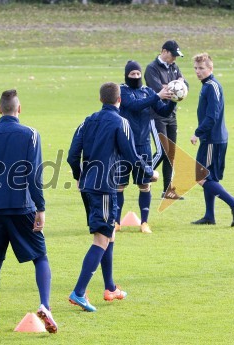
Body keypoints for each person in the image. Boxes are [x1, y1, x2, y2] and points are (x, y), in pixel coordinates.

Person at [67, 82, 156, 312]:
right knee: (101, 239)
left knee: (109, 233)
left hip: (88, 185)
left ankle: (110, 288)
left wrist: (79, 175)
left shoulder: (87, 121)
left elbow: (72, 155)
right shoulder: (121, 122)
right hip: (105, 187)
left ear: (100, 100)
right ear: (120, 101)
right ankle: (79, 292)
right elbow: (132, 155)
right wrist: (149, 173)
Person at [0, 89, 57, 333]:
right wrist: (40, 207)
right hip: (23, 208)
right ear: (19, 109)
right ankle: (45, 305)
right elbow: (34, 174)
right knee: (40, 257)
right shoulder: (31, 134)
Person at [117, 60, 175, 234]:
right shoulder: (122, 91)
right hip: (124, 146)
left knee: (145, 185)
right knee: (119, 185)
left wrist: (172, 100)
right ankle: (116, 222)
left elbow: (163, 111)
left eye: (137, 74)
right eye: (132, 74)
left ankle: (144, 223)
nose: (135, 77)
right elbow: (134, 106)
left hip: (143, 146)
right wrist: (157, 96)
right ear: (126, 75)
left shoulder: (147, 91)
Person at [190, 53, 234, 226]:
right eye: (196, 68)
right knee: (209, 177)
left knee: (200, 177)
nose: (198, 72)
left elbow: (212, 116)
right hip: (214, 138)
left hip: (212, 139)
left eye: (202, 68)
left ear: (210, 68)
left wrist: (197, 133)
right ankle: (209, 216)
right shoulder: (207, 85)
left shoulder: (211, 86)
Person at [145, 40, 189, 200]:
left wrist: (179, 86)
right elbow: (159, 90)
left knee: (171, 154)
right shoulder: (152, 68)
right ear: (164, 51)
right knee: (162, 151)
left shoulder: (174, 67)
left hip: (171, 115)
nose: (175, 59)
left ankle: (168, 190)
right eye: (173, 55)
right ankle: (144, 173)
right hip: (156, 115)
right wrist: (174, 85)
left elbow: (185, 85)